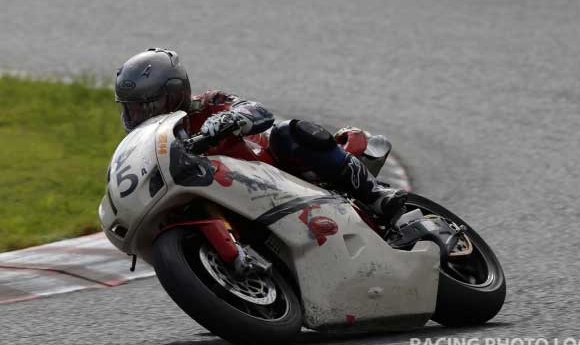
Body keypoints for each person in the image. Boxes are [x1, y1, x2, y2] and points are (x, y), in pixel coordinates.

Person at [115, 48, 407, 219]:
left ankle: (375, 194)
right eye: (133, 109)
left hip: (274, 171)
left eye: (148, 106)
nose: (141, 116)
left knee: (287, 132)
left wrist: (229, 119)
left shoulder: (209, 103)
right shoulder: (152, 143)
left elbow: (259, 111)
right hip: (227, 196)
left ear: (177, 92)